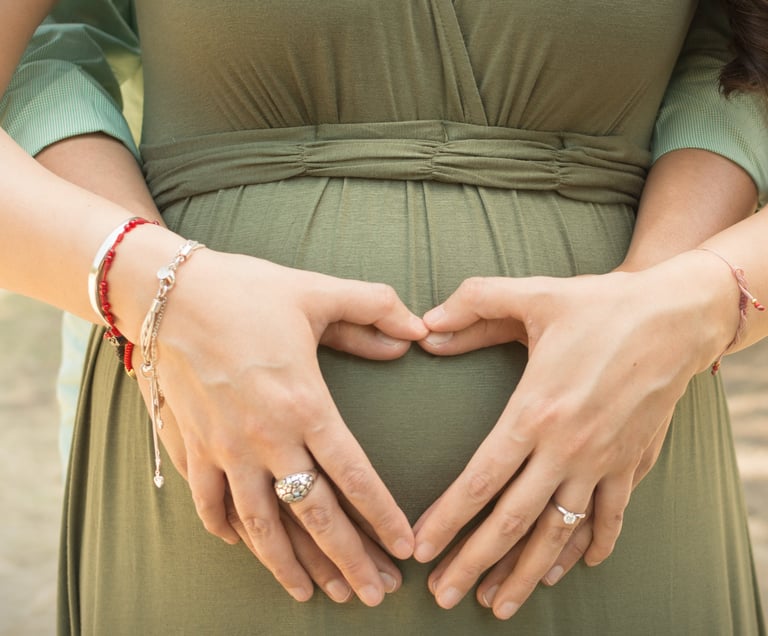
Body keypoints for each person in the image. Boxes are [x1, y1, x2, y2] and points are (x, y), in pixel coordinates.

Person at [0, 1, 766, 634]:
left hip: (624, 483)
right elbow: (47, 54)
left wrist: (687, 302)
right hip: (223, 508)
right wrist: (153, 286)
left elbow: (730, 65)